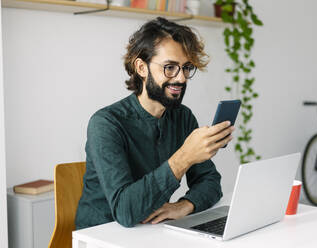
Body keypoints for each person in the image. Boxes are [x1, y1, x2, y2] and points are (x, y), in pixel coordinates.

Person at [75, 17, 235, 229]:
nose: (181, 79)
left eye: (186, 67)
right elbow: (125, 212)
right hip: (104, 234)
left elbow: (210, 182)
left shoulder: (182, 117)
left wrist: (185, 205)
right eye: (169, 67)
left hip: (153, 232)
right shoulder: (106, 123)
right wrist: (184, 157)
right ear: (141, 67)